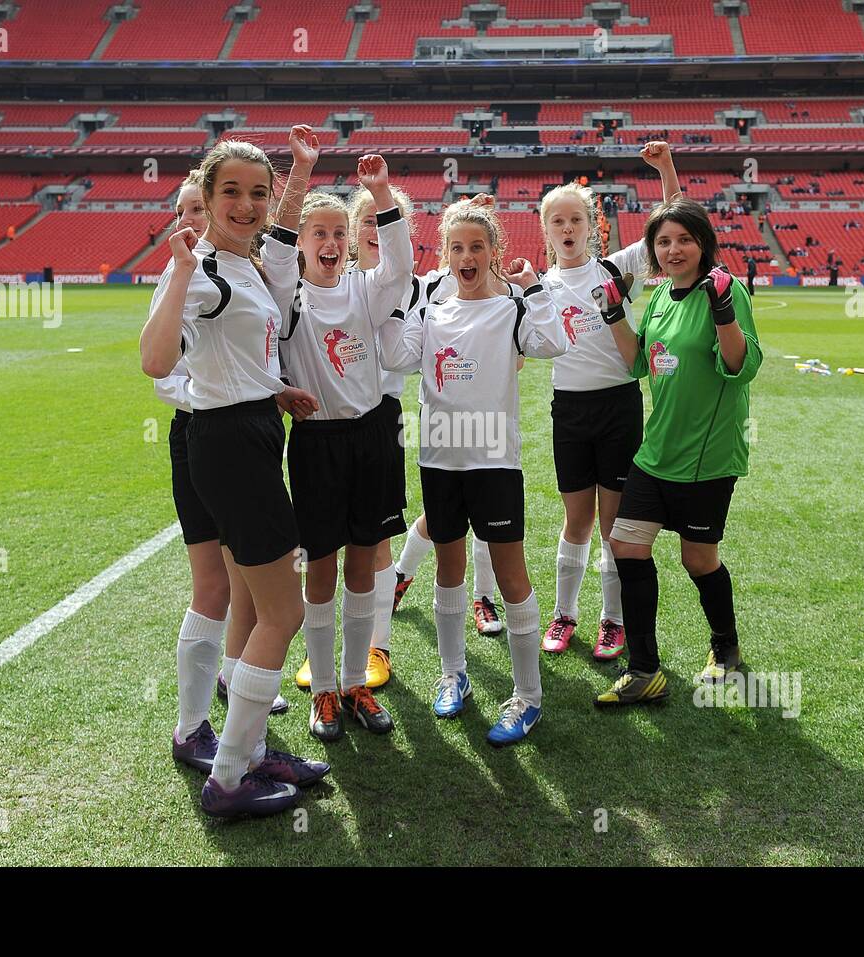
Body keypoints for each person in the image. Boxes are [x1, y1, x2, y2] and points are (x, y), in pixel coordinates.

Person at [139, 129, 328, 819]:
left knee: (239, 596)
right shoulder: (207, 270)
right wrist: (183, 271)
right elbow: (156, 362)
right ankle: (230, 775)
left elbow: (230, 350)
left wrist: (269, 388)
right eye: (232, 193)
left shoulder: (246, 264)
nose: (247, 205)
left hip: (241, 425)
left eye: (259, 192)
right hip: (229, 442)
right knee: (284, 609)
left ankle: (224, 745)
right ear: (207, 198)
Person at [378, 199, 567, 745]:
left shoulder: (510, 308)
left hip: (493, 462)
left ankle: (528, 696)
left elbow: (551, 342)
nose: (467, 255)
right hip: (440, 459)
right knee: (449, 570)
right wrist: (400, 302)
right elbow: (395, 358)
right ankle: (452, 675)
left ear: (494, 253)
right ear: (445, 256)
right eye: (456, 247)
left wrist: (534, 289)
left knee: (510, 576)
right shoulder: (432, 310)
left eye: (477, 246)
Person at [263, 153, 413, 743]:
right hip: (318, 443)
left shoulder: (364, 290)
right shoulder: (287, 297)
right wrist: (279, 392)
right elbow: (272, 262)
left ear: (350, 242)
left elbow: (399, 265)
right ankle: (323, 689)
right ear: (301, 241)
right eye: (316, 233)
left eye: (337, 234)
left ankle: (355, 683)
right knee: (320, 566)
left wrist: (380, 195)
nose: (329, 242)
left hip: (371, 437)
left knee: (363, 561)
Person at [593, 198, 762, 707]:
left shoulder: (724, 292)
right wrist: (614, 313)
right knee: (626, 546)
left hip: (706, 459)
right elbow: (638, 362)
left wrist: (725, 310)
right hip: (655, 454)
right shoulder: (663, 295)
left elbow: (740, 364)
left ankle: (724, 648)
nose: (673, 250)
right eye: (662, 242)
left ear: (703, 244)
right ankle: (644, 670)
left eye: (683, 240)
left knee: (698, 558)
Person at [533, 141, 681, 661]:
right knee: (576, 520)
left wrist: (664, 167)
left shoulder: (616, 271)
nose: (568, 230)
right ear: (547, 230)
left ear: (591, 226)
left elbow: (671, 219)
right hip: (568, 410)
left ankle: (612, 621)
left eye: (576, 220)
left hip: (618, 406)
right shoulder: (538, 286)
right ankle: (564, 613)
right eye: (558, 223)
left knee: (614, 524)